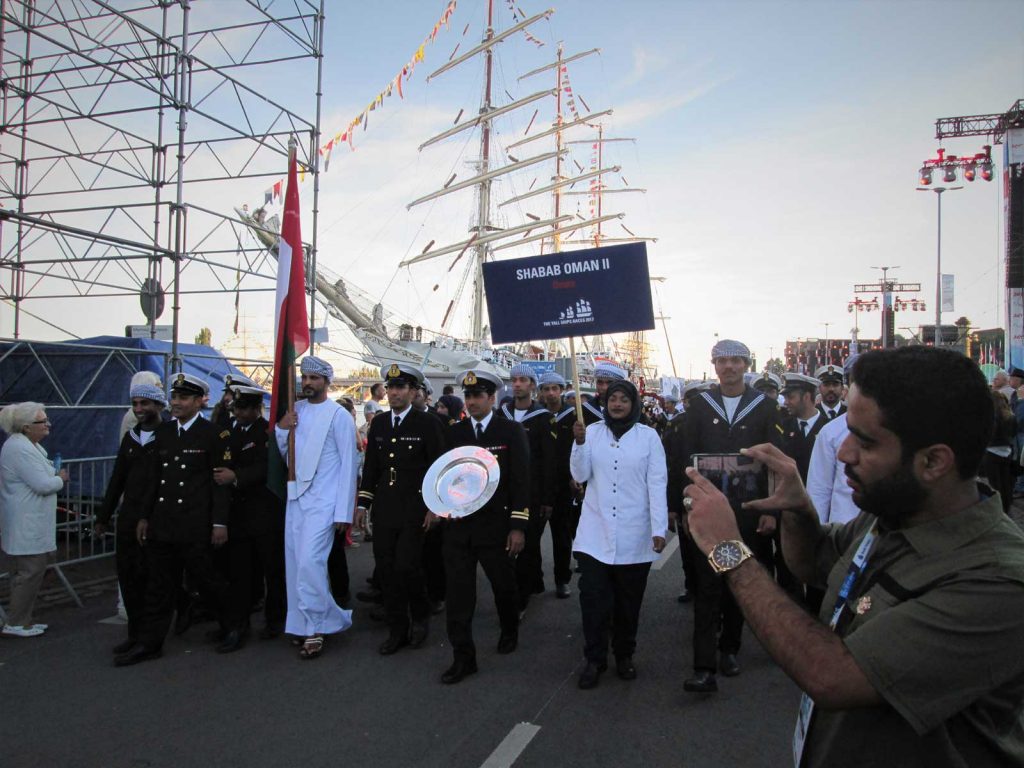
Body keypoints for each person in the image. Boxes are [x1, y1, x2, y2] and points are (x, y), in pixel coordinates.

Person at [685, 345, 1024, 767]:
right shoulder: (893, 515)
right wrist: (796, 507)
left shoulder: (994, 581)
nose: (843, 453)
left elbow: (831, 675)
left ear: (934, 461)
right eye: (847, 431)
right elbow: (813, 563)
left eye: (864, 441)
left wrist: (728, 550)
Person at [678, 338, 782, 693]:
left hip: (748, 511)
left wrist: (772, 510)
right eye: (722, 361)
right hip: (707, 510)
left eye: (736, 360)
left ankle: (730, 648)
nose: (729, 367)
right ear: (714, 366)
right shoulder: (698, 407)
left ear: (746, 365)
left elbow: (774, 462)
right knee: (707, 587)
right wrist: (683, 506)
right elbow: (684, 458)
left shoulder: (765, 407)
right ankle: (703, 666)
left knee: (737, 580)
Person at [117, 373, 232, 666]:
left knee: (208, 581)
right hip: (164, 522)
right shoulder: (165, 433)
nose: (176, 403)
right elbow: (156, 480)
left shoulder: (213, 435)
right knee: (159, 586)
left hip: (195, 523)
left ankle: (233, 625)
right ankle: (149, 642)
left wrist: (220, 523)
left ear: (198, 401)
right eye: (174, 397)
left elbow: (220, 484)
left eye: (183, 398)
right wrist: (144, 516)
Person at [570, 379, 667, 688]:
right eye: (613, 398)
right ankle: (594, 659)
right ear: (605, 402)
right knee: (594, 600)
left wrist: (659, 528)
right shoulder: (591, 432)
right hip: (595, 534)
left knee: (628, 603)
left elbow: (657, 482)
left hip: (634, 533)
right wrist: (579, 444)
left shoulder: (648, 437)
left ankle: (624, 654)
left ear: (633, 403)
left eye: (624, 399)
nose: (618, 404)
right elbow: (580, 475)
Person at [440, 369, 529, 684]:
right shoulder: (454, 432)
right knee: (459, 594)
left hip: (496, 526)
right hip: (460, 526)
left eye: (478, 395)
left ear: (492, 398)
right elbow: (445, 477)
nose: (472, 401)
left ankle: (509, 627)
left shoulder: (510, 431)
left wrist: (518, 526)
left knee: (503, 585)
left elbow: (520, 480)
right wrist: (441, 508)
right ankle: (463, 657)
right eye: (468, 396)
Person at [356, 363, 444, 655]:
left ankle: (419, 617)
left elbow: (438, 469)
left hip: (414, 508)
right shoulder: (379, 424)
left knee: (407, 566)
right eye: (390, 387)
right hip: (385, 509)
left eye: (400, 387)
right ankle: (397, 629)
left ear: (413, 391)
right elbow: (371, 468)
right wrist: (363, 503)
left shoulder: (427, 423)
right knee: (387, 568)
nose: (393, 393)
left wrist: (435, 508)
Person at [275, 356, 358, 659]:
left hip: (325, 502)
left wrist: (343, 512)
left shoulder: (339, 416)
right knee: (296, 564)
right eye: (304, 377)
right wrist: (282, 431)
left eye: (314, 378)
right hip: (297, 498)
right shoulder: (296, 412)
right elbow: (288, 458)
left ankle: (318, 626)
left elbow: (349, 465)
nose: (307, 383)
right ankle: (303, 623)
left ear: (326, 381)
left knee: (311, 562)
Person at [211, 383, 286, 652]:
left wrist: (238, 477)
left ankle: (275, 619)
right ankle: (237, 626)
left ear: (257, 409)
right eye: (236, 407)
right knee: (239, 574)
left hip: (265, 513)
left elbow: (270, 467)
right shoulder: (225, 432)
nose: (238, 413)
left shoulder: (269, 433)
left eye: (244, 408)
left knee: (272, 570)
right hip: (238, 515)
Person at [95, 380, 166, 653]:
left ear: (158, 405)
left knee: (153, 581)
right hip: (129, 517)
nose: (139, 409)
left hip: (156, 519)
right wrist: (103, 516)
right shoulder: (132, 438)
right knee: (129, 579)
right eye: (135, 404)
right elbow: (118, 479)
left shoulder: (168, 435)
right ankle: (135, 634)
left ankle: (151, 639)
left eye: (145, 403)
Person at [0, 402, 68, 637]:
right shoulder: (19, 448)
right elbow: (42, 484)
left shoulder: (27, 446)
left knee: (28, 574)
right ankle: (16, 622)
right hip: (26, 523)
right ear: (27, 427)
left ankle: (23, 620)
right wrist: (60, 479)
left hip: (30, 522)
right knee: (28, 574)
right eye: (43, 421)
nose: (48, 424)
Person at [499, 363, 552, 612]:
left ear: (532, 385)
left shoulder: (542, 418)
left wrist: (546, 499)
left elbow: (548, 462)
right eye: (514, 379)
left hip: (531, 492)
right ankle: (523, 586)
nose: (517, 384)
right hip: (504, 491)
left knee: (528, 546)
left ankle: (521, 598)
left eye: (523, 380)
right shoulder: (502, 414)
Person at [537, 371, 576, 598]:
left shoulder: (573, 417)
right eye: (546, 389)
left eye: (555, 388)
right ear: (541, 392)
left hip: (563, 484)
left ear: (562, 390)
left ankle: (562, 579)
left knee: (561, 536)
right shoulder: (537, 416)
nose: (551, 393)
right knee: (533, 537)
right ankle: (535, 580)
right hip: (541, 484)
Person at [982, 390, 1017, 514]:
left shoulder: (992, 416)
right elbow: (1013, 433)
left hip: (992, 453)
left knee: (995, 484)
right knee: (1005, 484)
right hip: (1006, 452)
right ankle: (1006, 508)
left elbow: (988, 435)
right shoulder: (1010, 416)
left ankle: (998, 510)